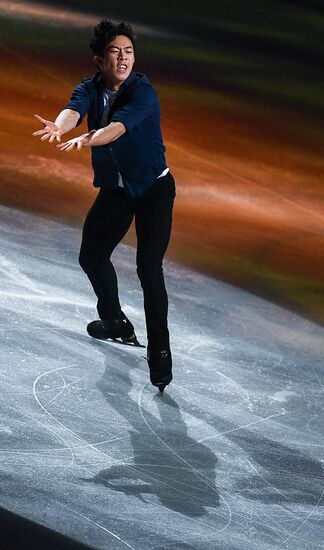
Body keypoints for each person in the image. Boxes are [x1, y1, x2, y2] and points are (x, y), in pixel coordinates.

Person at [32, 20, 176, 394]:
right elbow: (73, 108)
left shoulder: (142, 91)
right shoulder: (90, 88)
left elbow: (117, 128)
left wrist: (87, 140)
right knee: (91, 257)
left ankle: (160, 353)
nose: (124, 58)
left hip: (154, 190)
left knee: (149, 269)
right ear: (100, 59)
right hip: (117, 189)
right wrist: (62, 127)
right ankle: (113, 320)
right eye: (116, 51)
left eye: (129, 51)